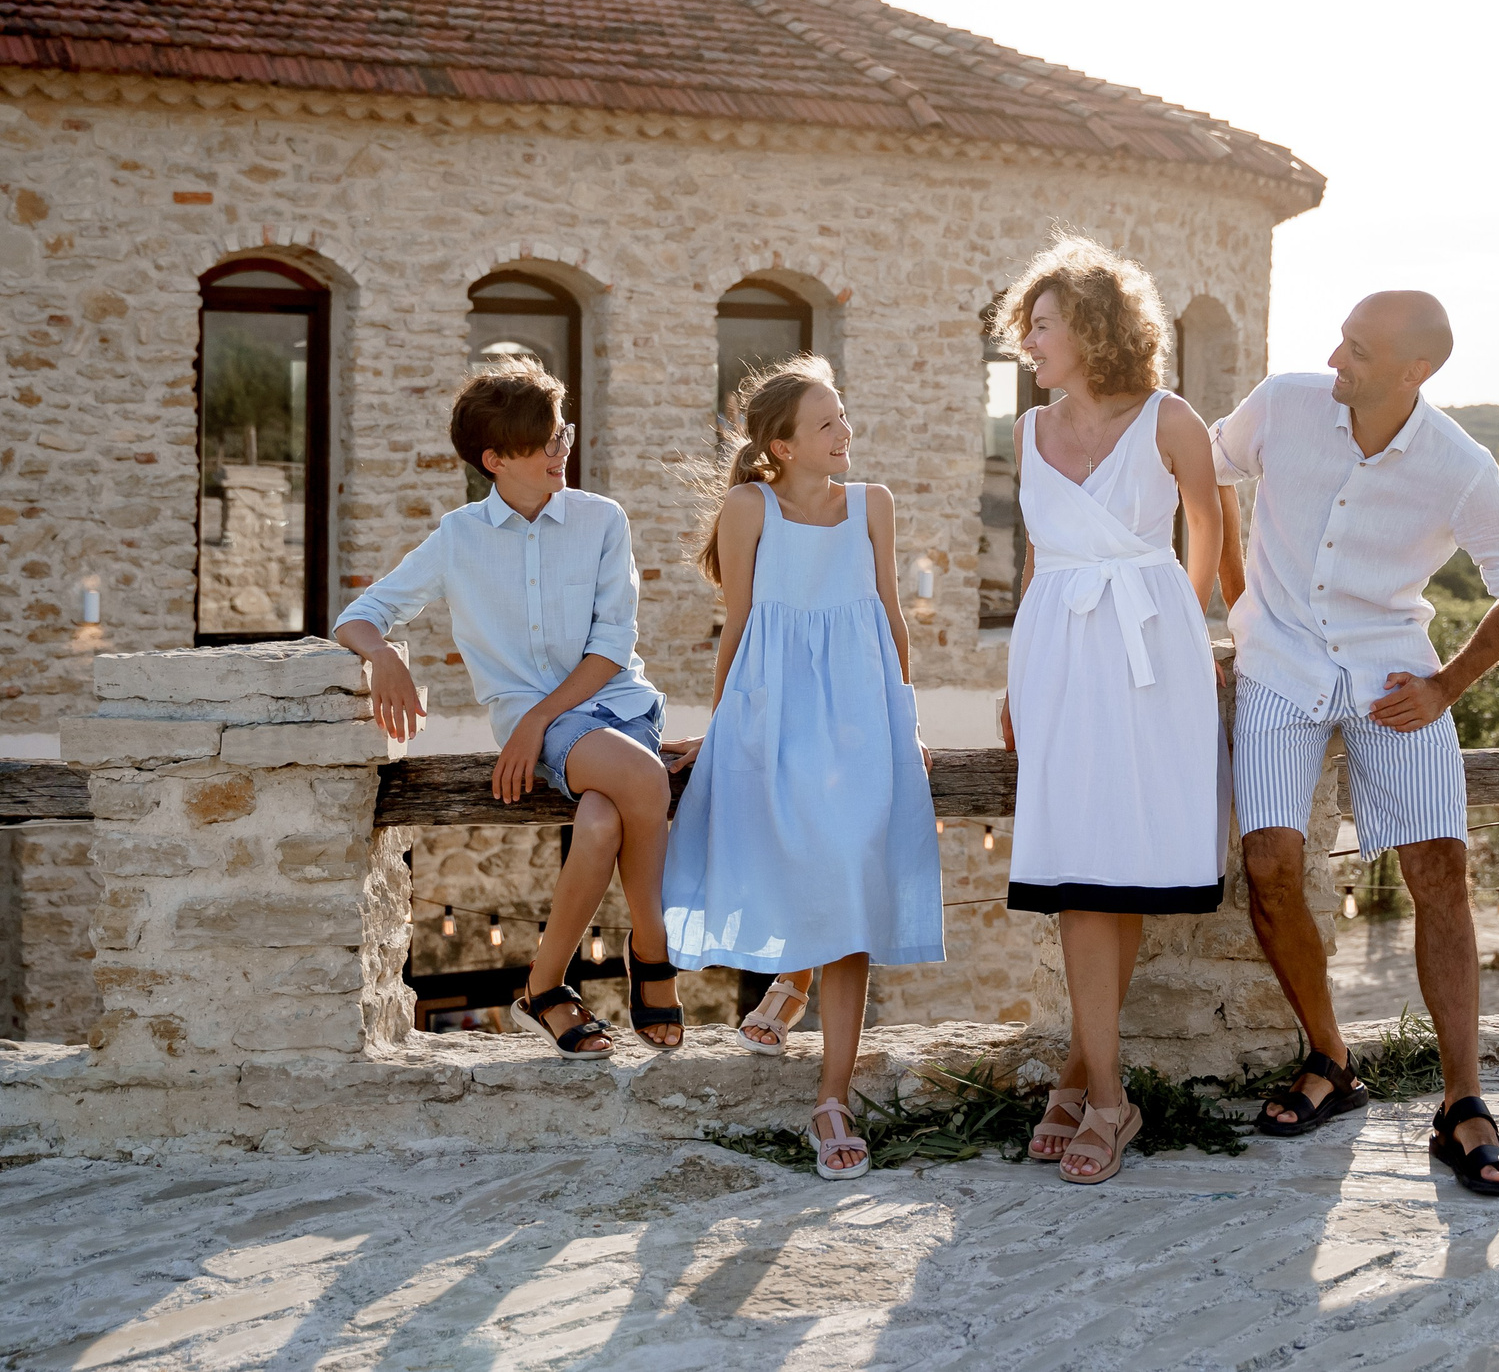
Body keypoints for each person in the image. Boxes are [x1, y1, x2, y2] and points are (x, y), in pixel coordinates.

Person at [1211, 290, 1499, 1193]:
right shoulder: (1284, 404)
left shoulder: (1457, 465)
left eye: (1356, 350)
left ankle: (1463, 1102)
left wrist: (1448, 685)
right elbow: (1197, 465)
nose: (1334, 359)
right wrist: (1236, 597)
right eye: (1341, 340)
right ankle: (1330, 1058)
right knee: (1271, 861)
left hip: (1393, 676)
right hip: (1278, 664)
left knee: (1441, 869)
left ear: (1414, 371)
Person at [335, 359, 686, 1058]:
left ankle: (545, 985)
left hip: (614, 706)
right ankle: (652, 955)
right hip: (557, 730)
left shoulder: (601, 520)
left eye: (563, 434)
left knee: (601, 819)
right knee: (645, 781)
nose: (563, 450)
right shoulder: (459, 537)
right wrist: (387, 657)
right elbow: (360, 615)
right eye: (546, 441)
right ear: (496, 458)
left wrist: (533, 720)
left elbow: (612, 650)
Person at [658, 355, 941, 1181]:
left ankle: (832, 1093)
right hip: (775, 710)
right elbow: (740, 624)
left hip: (861, 714)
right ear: (780, 446)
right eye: (827, 423)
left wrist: (905, 722)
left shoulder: (873, 505)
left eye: (844, 417)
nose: (844, 433)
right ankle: (791, 978)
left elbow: (891, 614)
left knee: (853, 864)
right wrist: (722, 730)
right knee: (797, 849)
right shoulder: (750, 508)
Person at [995, 234, 1224, 1186]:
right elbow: (1036, 563)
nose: (1029, 344)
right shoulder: (1027, 430)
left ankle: (1092, 1086)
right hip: (1058, 648)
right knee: (1080, 868)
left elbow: (1209, 523)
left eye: (1042, 326)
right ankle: (1100, 1087)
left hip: (1148, 654)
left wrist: (1190, 632)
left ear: (1092, 328)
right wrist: (1016, 680)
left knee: (1121, 869)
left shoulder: (1171, 420)